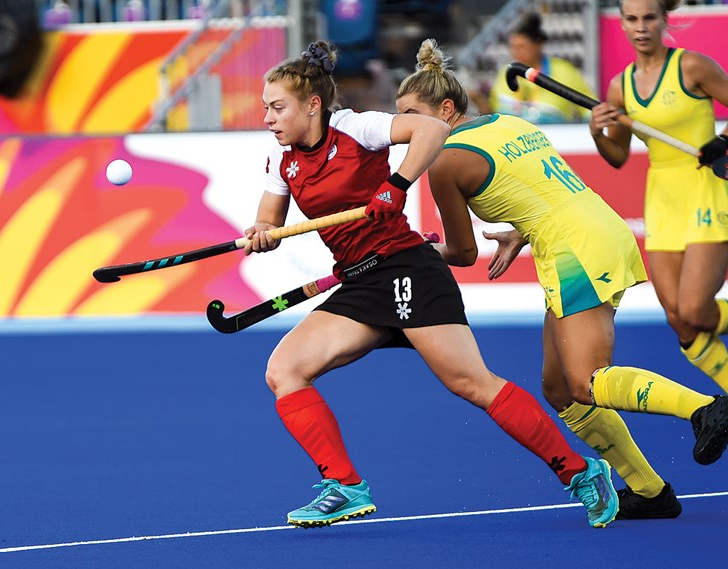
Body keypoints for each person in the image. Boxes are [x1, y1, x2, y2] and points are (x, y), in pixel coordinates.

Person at [247, 40, 620, 530]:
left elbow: (432, 128)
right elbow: (269, 220)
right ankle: (344, 486)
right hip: (360, 280)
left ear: (312, 104)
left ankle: (581, 471)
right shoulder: (282, 161)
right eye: (266, 109)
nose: (269, 118)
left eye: (278, 107)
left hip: (407, 269)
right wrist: (260, 233)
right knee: (284, 370)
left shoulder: (356, 128)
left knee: (471, 383)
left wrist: (396, 184)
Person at [394, 38, 728, 519]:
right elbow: (538, 190)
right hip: (595, 229)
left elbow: (461, 251)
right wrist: (520, 232)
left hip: (573, 249)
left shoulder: (444, 161)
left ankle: (704, 408)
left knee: (586, 381)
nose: (405, 130)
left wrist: (411, 248)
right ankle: (649, 491)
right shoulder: (508, 122)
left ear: (446, 108)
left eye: (413, 116)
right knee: (559, 387)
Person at [589, 0, 728, 430]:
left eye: (649, 18)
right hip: (663, 199)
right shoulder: (620, 88)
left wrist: (722, 139)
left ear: (663, 20)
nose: (641, 27)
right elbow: (617, 156)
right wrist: (597, 130)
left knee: (694, 308)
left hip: (706, 190)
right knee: (680, 319)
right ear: (622, 23)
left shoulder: (691, 66)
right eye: (632, 19)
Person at [486, 11, 594, 124]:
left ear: (538, 44)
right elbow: (492, 112)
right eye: (513, 47)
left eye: (522, 46)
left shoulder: (564, 71)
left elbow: (589, 111)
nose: (515, 53)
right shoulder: (505, 72)